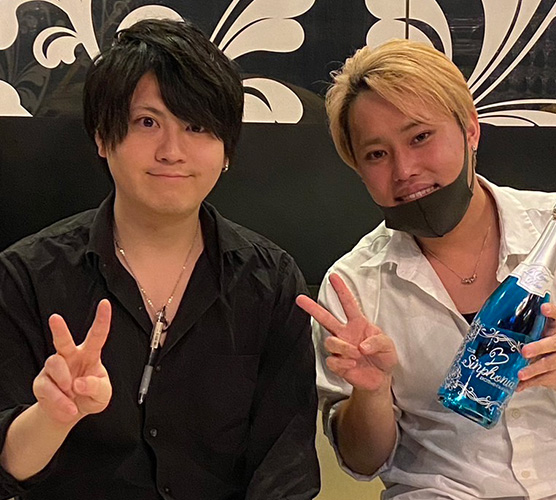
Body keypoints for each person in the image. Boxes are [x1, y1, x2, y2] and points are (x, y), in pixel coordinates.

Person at [296, 39, 556, 500]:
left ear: (471, 130)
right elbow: (363, 461)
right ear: (358, 169)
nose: (404, 169)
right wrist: (373, 393)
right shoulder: (353, 285)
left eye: (420, 137)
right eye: (377, 154)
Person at [0, 19, 319, 500]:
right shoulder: (26, 276)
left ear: (227, 150)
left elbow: (285, 468)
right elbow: (7, 469)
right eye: (147, 122)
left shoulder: (270, 282)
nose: (172, 151)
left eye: (196, 126)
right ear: (103, 137)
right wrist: (52, 416)